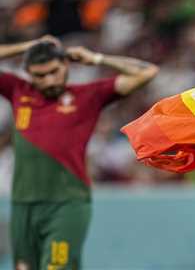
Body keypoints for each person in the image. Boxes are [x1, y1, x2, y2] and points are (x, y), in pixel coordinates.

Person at [0, 36, 159, 270]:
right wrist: (27, 45)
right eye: (40, 76)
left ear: (66, 65)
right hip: (23, 204)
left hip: (67, 203)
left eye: (54, 71)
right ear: (28, 74)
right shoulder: (18, 91)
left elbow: (147, 72)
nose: (49, 80)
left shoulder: (88, 95)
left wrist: (97, 58)